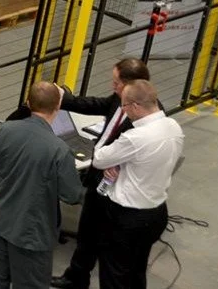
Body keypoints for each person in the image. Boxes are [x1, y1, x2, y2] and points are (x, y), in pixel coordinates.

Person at [51, 57, 152, 289]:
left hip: (118, 185)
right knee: (87, 230)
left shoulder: (145, 116)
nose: (112, 86)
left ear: (131, 86)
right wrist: (63, 98)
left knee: (110, 245)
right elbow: (95, 104)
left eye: (116, 83)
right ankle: (76, 277)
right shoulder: (119, 99)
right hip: (99, 177)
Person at [0, 81, 85, 288]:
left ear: (28, 103)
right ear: (58, 107)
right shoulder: (59, 150)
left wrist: (4, 190)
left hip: (2, 224)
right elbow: (72, 194)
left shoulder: (6, 130)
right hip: (34, 235)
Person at [92, 79, 183, 289]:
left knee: (114, 276)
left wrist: (114, 158)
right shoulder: (173, 127)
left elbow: (99, 158)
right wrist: (123, 165)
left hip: (128, 217)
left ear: (135, 106)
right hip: (156, 213)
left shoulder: (135, 137)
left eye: (124, 105)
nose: (123, 110)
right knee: (136, 271)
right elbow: (147, 162)